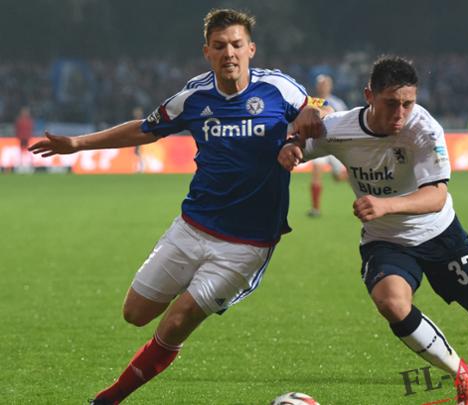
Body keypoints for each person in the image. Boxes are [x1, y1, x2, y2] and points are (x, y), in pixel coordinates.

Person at [30, 8, 327, 404]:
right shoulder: (193, 97)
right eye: (219, 46)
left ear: (251, 49)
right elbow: (146, 129)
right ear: (207, 52)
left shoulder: (278, 88)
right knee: (135, 313)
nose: (229, 53)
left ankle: (107, 400)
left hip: (247, 244)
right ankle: (197, 288)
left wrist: (303, 128)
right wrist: (78, 143)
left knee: (177, 320)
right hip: (193, 226)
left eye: (236, 45)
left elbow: (317, 107)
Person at [278, 57, 468, 405]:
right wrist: (292, 148)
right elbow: (300, 143)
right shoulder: (340, 128)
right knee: (390, 302)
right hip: (386, 241)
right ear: (369, 96)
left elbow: (436, 196)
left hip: (441, 234)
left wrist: (385, 205)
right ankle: (463, 375)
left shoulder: (424, 129)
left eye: (408, 103)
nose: (400, 113)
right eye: (391, 103)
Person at [307, 74, 348, 217]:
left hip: (335, 144)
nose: (322, 87)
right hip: (318, 143)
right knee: (316, 172)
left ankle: (362, 190)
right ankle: (315, 209)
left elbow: (346, 121)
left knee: (339, 177)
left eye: (325, 84)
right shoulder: (311, 102)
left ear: (330, 86)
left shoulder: (338, 103)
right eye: (320, 84)